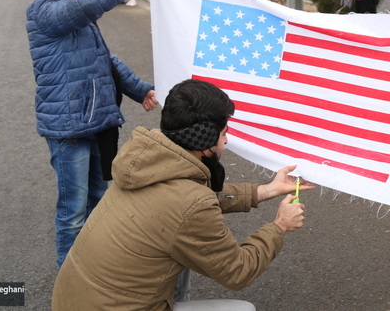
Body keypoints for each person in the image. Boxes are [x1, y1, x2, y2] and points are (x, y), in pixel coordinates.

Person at [52, 79, 309, 311]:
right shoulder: (190, 204)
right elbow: (238, 271)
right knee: (242, 309)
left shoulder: (144, 163)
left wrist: (267, 190)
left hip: (75, 300)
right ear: (204, 141)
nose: (227, 141)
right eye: (223, 134)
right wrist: (279, 226)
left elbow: (185, 202)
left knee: (183, 247)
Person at [26, 0, 159, 269]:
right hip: (67, 128)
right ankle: (69, 284)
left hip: (97, 122)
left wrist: (140, 89)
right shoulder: (44, 12)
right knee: (73, 213)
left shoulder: (75, 14)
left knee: (100, 202)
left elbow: (105, 60)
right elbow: (85, 3)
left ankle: (97, 272)